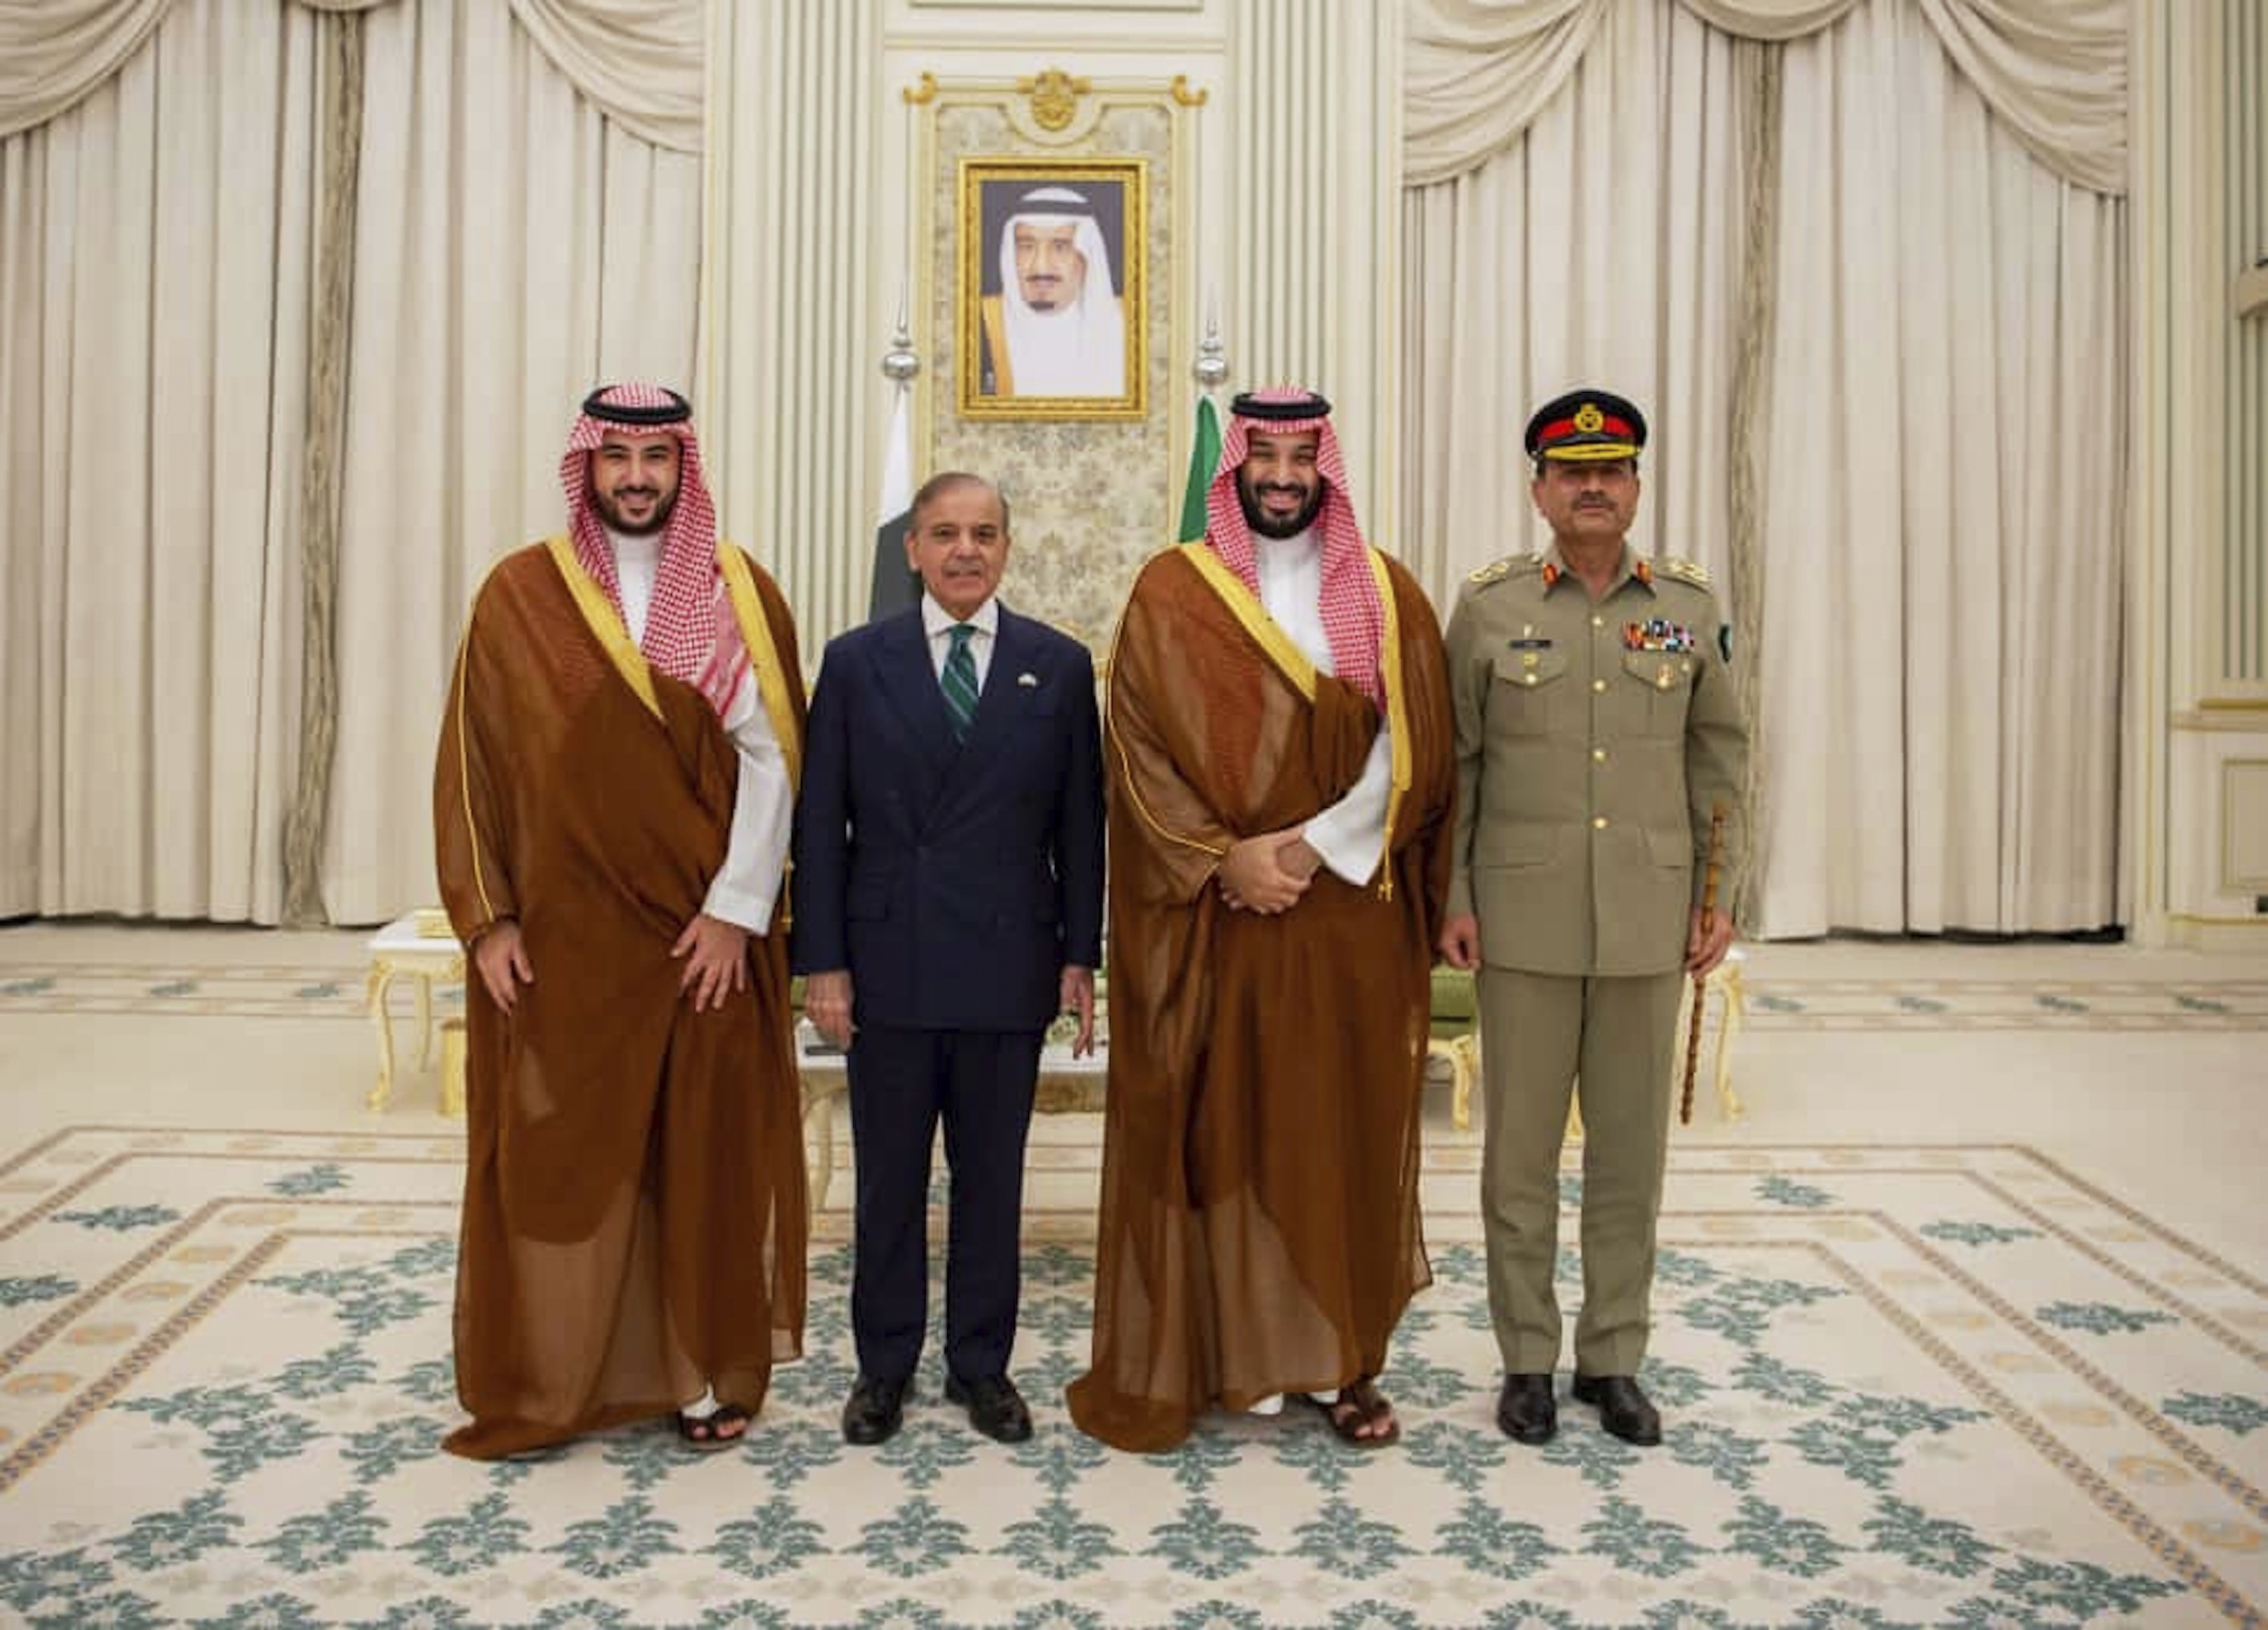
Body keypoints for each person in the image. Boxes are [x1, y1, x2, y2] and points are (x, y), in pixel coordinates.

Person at [1067, 387, 1456, 1452]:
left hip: (1342, 913)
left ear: (1325, 468)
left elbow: (1416, 745)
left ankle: (1340, 1359)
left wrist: (1310, 849)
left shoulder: (1386, 592)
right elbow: (1135, 744)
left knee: (1336, 1131)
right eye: (1264, 456)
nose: (1282, 477)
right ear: (1233, 466)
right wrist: (1222, 857)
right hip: (1219, 918)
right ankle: (1230, 1354)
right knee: (1222, 1129)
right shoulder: (1172, 588)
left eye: (1301, 457)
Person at [432, 384, 809, 1459]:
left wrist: (737, 911)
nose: (636, 478)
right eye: (617, 458)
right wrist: (489, 920)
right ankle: (559, 1372)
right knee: (563, 1160)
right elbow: (473, 764)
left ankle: (696, 1370)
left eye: (656, 459)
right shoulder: (520, 594)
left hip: (702, 945)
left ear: (684, 467)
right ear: (586, 466)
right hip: (567, 945)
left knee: (703, 1157)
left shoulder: (738, 591)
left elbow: (775, 762)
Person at [1437, 387, 1748, 1448]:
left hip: (1649, 919)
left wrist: (1716, 895)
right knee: (1517, 1159)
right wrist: (1454, 896)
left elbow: (1719, 759)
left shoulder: (1688, 604)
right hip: (1519, 918)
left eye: (1610, 471)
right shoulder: (1488, 607)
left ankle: (1612, 1356)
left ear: (1636, 487)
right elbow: (1457, 768)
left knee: (1629, 1158)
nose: (1591, 489)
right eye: (1571, 474)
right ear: (1538, 492)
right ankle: (1525, 1357)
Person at [792, 471, 1105, 1448]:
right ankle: (882, 1368)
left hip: (1008, 962)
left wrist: (1081, 956)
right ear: (912, 549)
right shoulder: (855, 662)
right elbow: (820, 824)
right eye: (944, 534)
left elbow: (1081, 826)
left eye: (983, 533)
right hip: (887, 963)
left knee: (990, 1181)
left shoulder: (1059, 666)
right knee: (888, 1183)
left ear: (1007, 546)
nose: (965, 550)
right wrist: (823, 962)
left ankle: (981, 1366)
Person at [978, 185, 1126, 399]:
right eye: (1026, 247)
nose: (1041, 266)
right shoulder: (981, 325)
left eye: (1060, 247)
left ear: (1087, 255)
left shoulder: (1131, 326)